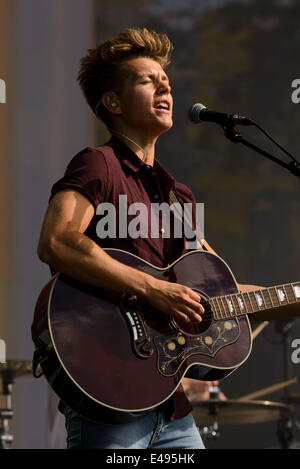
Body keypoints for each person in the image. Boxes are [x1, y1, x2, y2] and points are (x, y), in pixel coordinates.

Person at [37, 27, 260, 450]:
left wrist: (285, 297)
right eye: (147, 79)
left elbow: (221, 294)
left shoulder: (178, 197)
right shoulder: (98, 164)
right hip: (111, 398)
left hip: (172, 410)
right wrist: (157, 290)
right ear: (114, 103)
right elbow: (58, 241)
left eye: (167, 82)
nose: (164, 85)